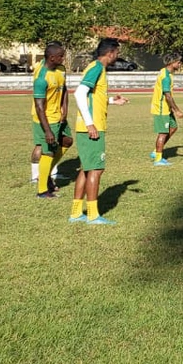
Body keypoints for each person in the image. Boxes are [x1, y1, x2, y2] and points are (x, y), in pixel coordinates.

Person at [69, 38, 121, 225]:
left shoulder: (95, 67)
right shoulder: (97, 67)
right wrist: (90, 124)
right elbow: (79, 93)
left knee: (86, 169)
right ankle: (92, 215)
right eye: (117, 53)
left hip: (88, 126)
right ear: (111, 52)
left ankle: (76, 213)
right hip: (92, 127)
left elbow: (92, 97)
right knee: (96, 170)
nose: (118, 56)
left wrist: (113, 101)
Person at [30, 42, 72, 198]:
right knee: (48, 152)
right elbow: (39, 107)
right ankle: (42, 191)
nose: (63, 58)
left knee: (67, 141)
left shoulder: (60, 69)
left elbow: (65, 88)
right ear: (52, 57)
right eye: (61, 56)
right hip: (46, 118)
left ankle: (45, 172)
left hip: (59, 115)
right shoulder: (41, 78)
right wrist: (47, 130)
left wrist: (65, 109)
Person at [149, 53, 183, 167]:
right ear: (172, 63)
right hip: (161, 108)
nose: (180, 64)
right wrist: (177, 110)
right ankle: (158, 159)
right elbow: (167, 96)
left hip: (166, 108)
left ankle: (156, 151)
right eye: (178, 62)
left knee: (173, 127)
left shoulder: (166, 73)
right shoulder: (166, 77)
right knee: (163, 133)